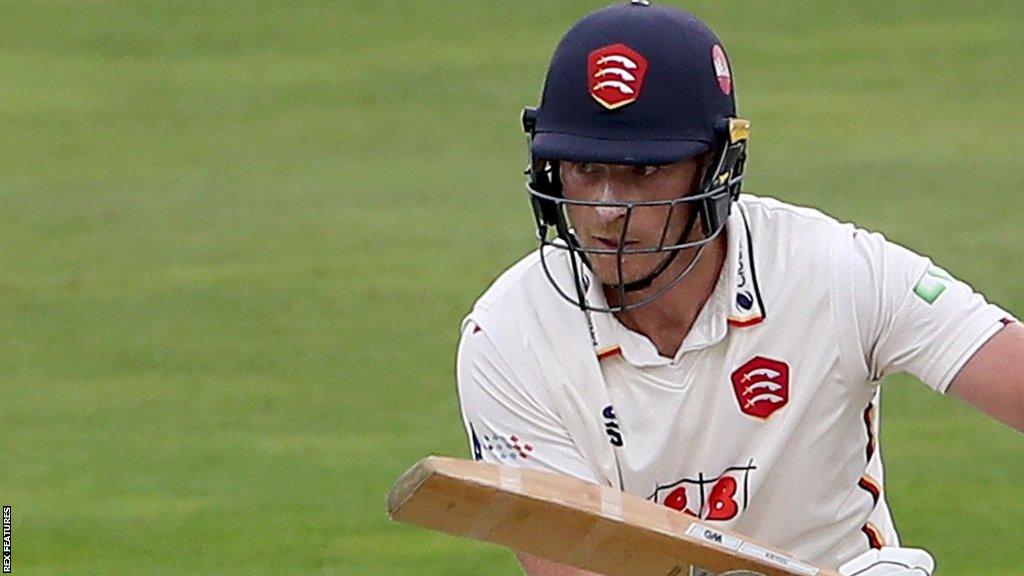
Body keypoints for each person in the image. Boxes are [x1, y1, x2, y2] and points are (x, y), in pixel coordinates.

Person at [455, 2, 1021, 575]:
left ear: (714, 167)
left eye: (643, 172)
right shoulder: (507, 339)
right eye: (583, 169)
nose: (605, 209)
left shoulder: (832, 272)